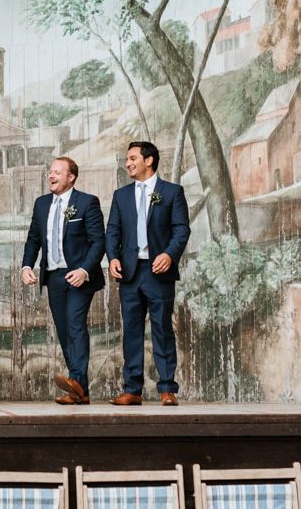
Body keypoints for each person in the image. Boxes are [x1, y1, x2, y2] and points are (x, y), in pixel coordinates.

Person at [105, 141, 190, 407]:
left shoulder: (172, 192)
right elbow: (113, 232)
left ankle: (167, 389)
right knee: (130, 331)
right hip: (130, 273)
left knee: (162, 329)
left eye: (132, 158)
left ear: (149, 160)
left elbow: (181, 229)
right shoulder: (121, 196)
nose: (127, 163)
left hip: (158, 271)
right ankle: (132, 390)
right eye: (126, 159)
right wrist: (113, 258)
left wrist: (168, 254)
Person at [21, 157, 105, 405]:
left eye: (57, 172)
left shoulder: (87, 202)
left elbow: (98, 241)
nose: (51, 175)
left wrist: (84, 270)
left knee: (76, 324)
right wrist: (27, 265)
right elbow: (33, 239)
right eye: (50, 171)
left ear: (71, 177)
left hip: (80, 276)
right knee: (65, 329)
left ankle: (76, 382)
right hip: (54, 276)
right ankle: (80, 390)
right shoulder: (41, 204)